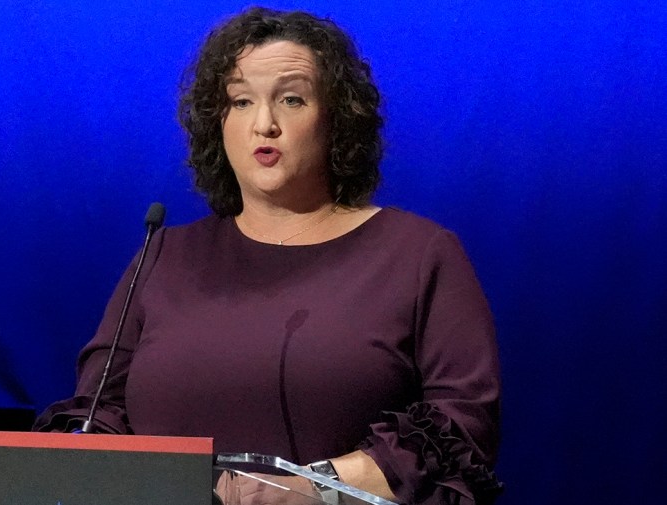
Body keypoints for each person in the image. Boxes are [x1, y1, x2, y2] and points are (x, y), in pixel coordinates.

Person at [34, 7, 503, 505]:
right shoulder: (163, 255)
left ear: (337, 119)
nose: (264, 124)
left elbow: (459, 426)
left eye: (292, 99)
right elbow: (95, 415)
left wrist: (317, 488)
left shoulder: (418, 254)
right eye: (240, 101)